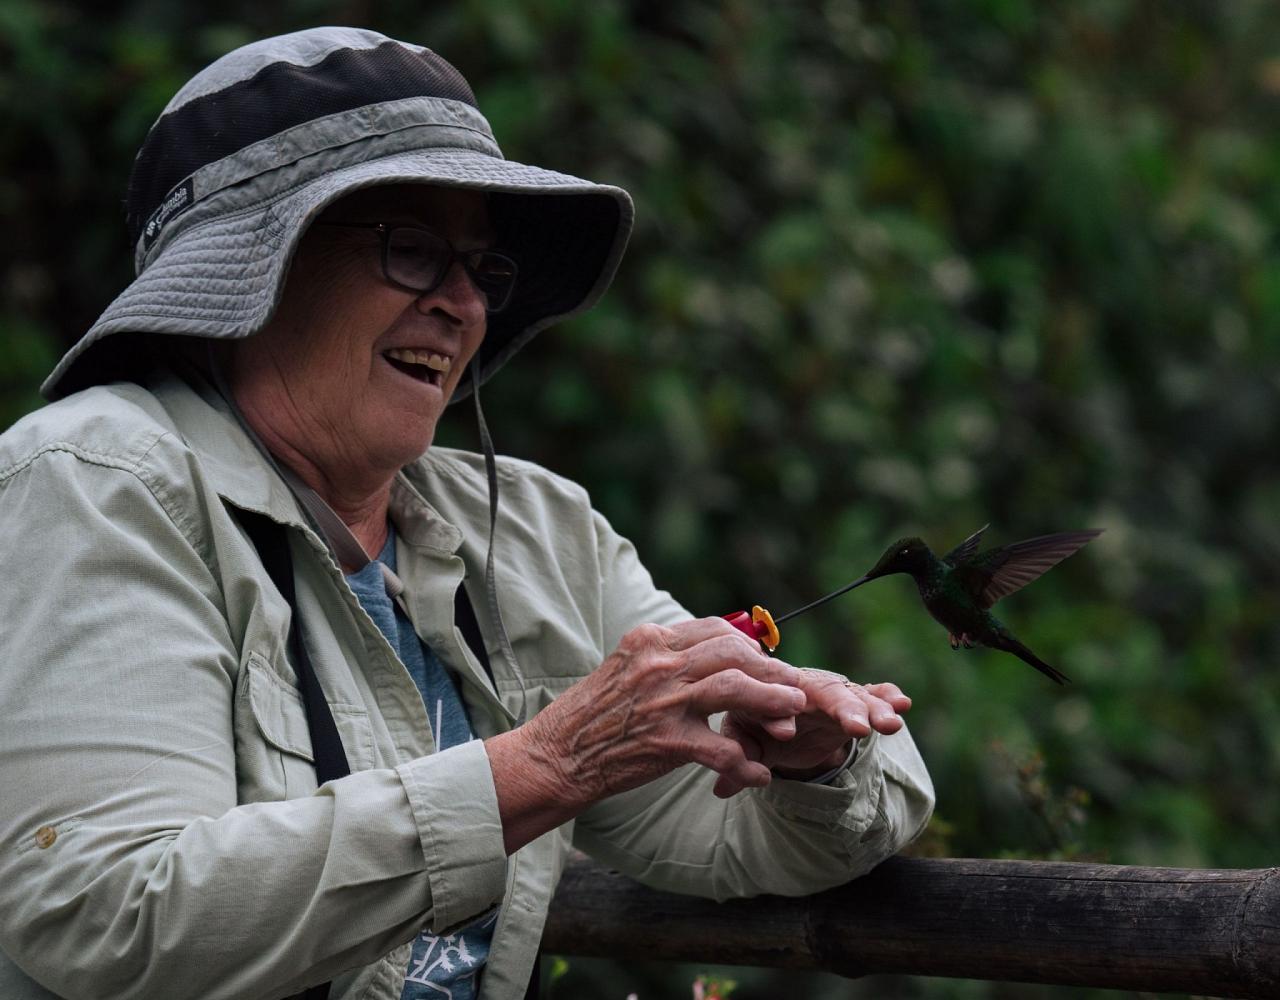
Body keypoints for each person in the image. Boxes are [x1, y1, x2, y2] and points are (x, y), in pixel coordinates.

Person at [0, 27, 934, 1000]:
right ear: (249, 272)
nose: (463, 305)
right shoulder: (98, 478)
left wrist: (816, 757)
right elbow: (106, 912)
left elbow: (731, 834)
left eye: (481, 271)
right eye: (410, 250)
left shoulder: (531, 530)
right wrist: (541, 765)